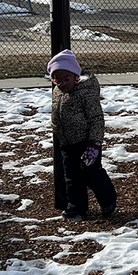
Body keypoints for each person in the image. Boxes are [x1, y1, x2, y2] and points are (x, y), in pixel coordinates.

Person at [48, 49, 117, 221]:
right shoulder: (57, 92)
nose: (62, 84)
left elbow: (96, 118)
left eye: (66, 79)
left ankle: (108, 199)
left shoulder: (85, 92)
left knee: (91, 173)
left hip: (87, 143)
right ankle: (77, 208)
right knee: (72, 177)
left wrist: (94, 143)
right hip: (67, 143)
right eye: (58, 80)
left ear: (75, 76)